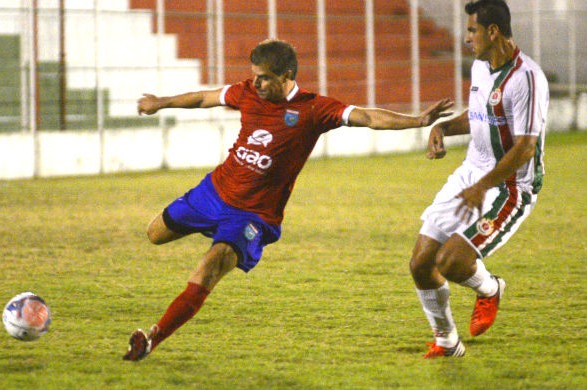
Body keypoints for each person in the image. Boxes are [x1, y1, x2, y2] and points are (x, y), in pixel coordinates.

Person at [123, 38, 453, 361]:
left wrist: (418, 121)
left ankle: (153, 338)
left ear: (286, 77)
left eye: (265, 77)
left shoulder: (313, 109)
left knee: (210, 267)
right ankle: (211, 231)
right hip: (213, 192)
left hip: (252, 215)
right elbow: (204, 98)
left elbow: (367, 117)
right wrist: (161, 102)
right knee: (154, 234)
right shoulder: (247, 92)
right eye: (254, 74)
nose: (257, 82)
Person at [409, 0, 549, 358]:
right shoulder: (481, 68)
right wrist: (442, 127)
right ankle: (447, 341)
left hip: (509, 186)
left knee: (452, 262)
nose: (466, 37)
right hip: (472, 173)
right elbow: (479, 117)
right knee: (421, 263)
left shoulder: (527, 78)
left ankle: (490, 289)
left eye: (472, 30)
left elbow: (524, 149)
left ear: (493, 31)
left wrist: (482, 186)